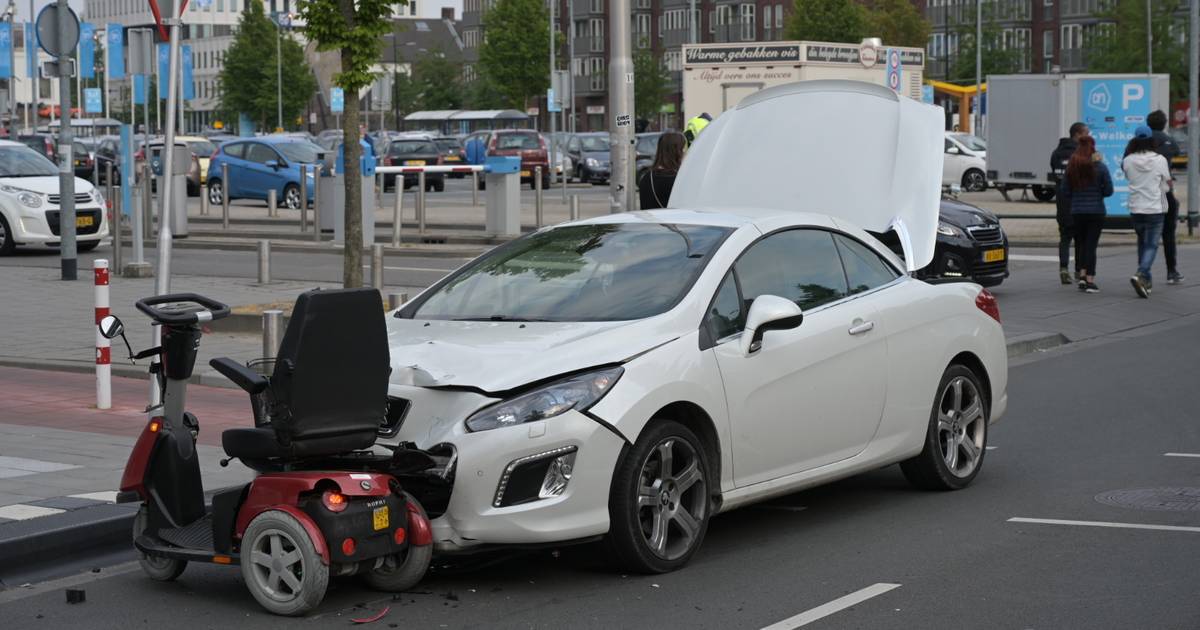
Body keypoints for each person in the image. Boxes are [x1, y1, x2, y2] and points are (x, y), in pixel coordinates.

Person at [1122, 126, 1172, 298]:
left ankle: (1146, 283)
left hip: (1136, 208)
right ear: (1152, 140)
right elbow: (1168, 182)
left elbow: (1128, 176)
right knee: (1151, 245)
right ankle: (1141, 273)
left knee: (1143, 243)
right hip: (1154, 208)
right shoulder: (1160, 160)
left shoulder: (1128, 160)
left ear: (1134, 140)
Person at [1058, 135, 1113, 293]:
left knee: (1081, 244)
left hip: (1077, 212)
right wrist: (1098, 192)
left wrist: (1077, 197)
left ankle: (1081, 276)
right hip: (1096, 211)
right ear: (1092, 148)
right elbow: (1109, 190)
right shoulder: (1100, 167)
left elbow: (1064, 191)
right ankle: (1089, 279)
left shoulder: (1072, 167)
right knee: (1091, 245)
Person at [1146, 110, 1183, 284]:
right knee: (1168, 233)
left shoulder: (1142, 141)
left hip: (1146, 193)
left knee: (1145, 235)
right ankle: (1172, 271)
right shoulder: (1169, 140)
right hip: (1164, 191)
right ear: (1164, 123)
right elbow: (1176, 152)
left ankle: (1144, 272)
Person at [1050, 122, 1088, 285]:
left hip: (1062, 201)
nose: (1088, 136)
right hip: (1078, 201)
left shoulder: (1056, 153)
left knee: (1065, 237)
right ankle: (1079, 270)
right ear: (1078, 135)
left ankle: (1063, 269)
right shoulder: (1080, 153)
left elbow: (1054, 172)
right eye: (1086, 133)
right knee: (1080, 238)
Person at [638, 132, 685, 210]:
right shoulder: (678, 181)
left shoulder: (646, 178)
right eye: (683, 149)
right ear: (677, 152)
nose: (685, 153)